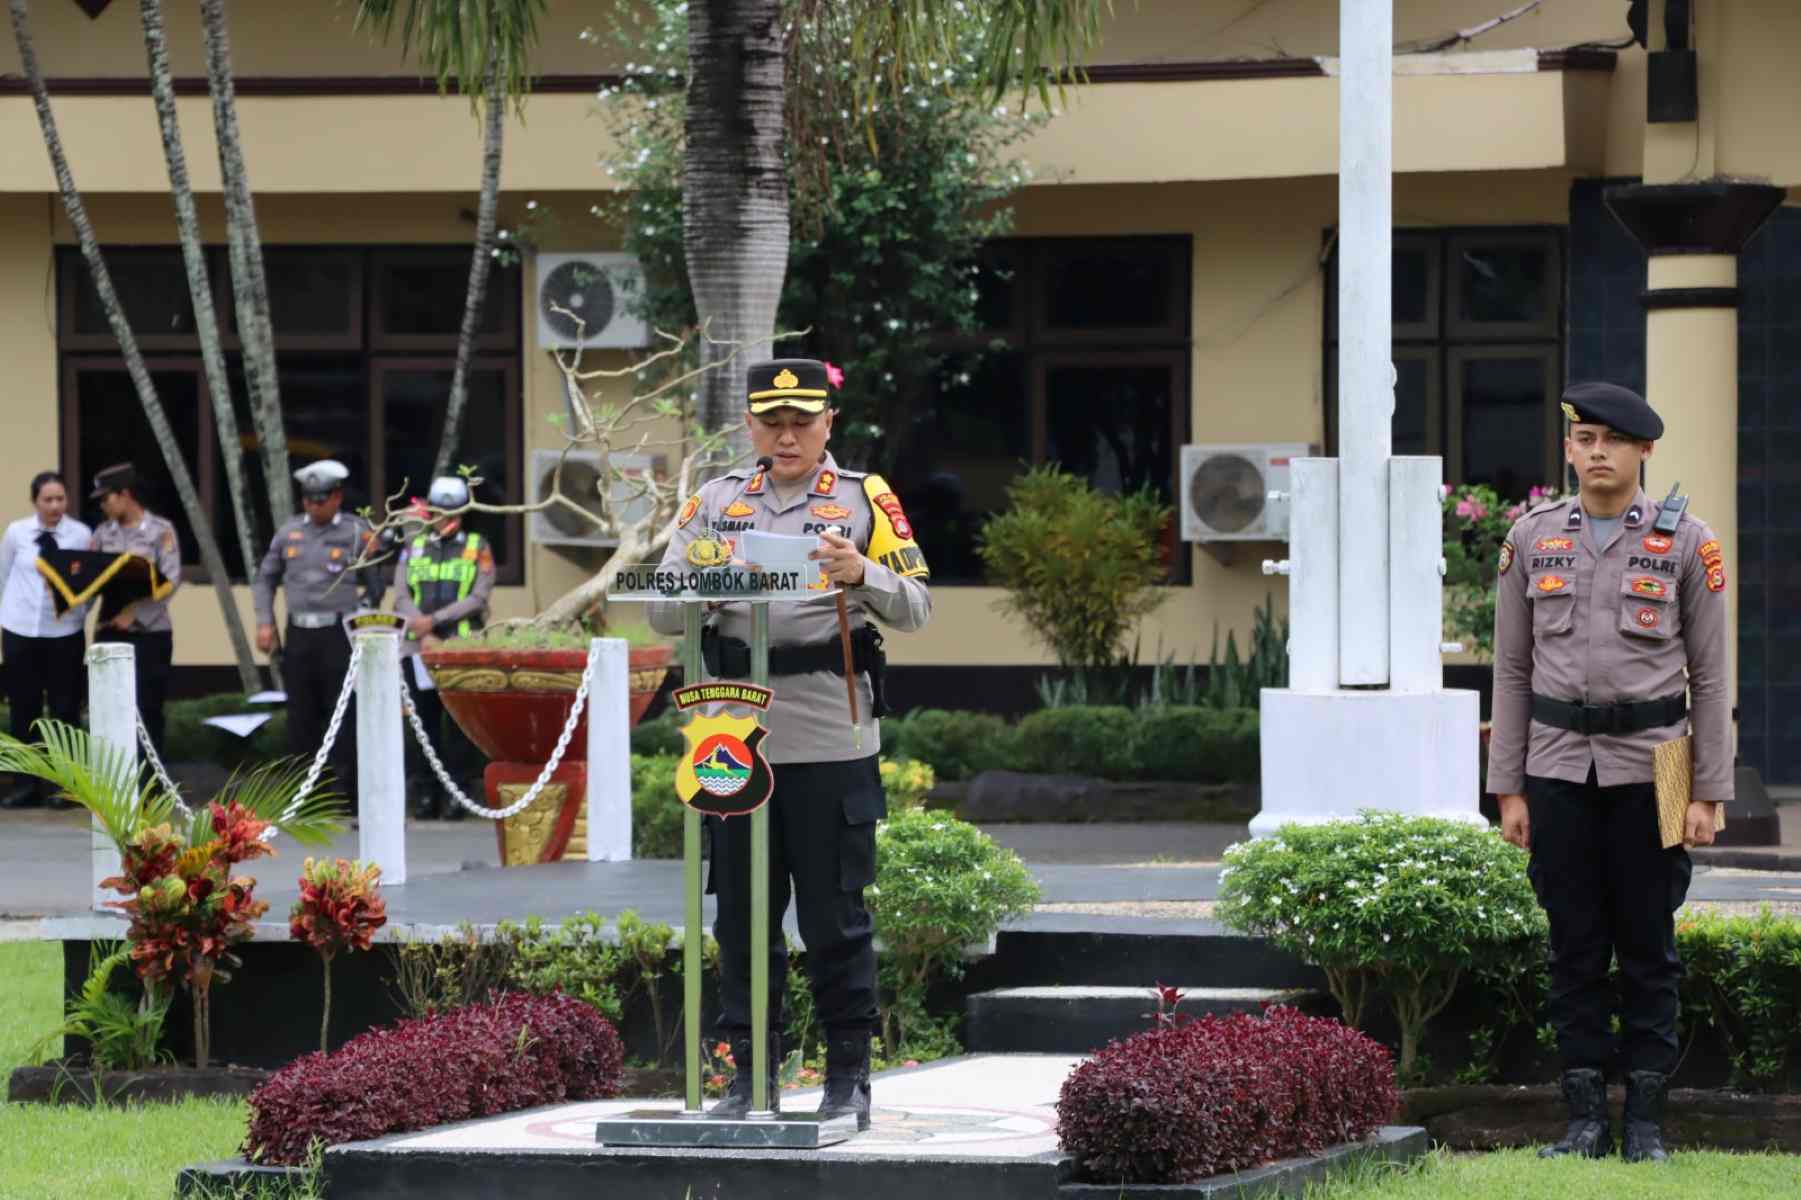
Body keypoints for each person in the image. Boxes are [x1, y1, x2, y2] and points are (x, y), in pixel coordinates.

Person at [648, 358, 932, 1129]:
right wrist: (706, 585)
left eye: (801, 422)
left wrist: (861, 572)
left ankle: (847, 1079)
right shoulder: (715, 502)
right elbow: (661, 611)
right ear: (749, 425)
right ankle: (751, 1077)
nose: (785, 436)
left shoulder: (864, 498)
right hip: (731, 740)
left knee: (834, 918)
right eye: (770, 422)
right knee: (741, 918)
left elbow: (916, 608)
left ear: (827, 423)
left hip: (828, 732)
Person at [1488, 381, 1730, 1164]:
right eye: (1584, 439)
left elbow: (1711, 676)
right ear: (1568, 449)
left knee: (1650, 945)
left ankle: (1647, 1126)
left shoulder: (1687, 542)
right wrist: (1507, 787)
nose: (1597, 452)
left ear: (1643, 451)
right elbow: (1510, 670)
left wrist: (1707, 791)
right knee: (1573, 946)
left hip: (1661, 763)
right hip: (1555, 763)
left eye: (1613, 441)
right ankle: (1585, 1122)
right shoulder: (1530, 539)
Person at [253, 460, 384, 806]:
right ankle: (305, 796)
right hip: (299, 633)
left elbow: (375, 584)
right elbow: (265, 579)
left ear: (337, 497)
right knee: (301, 715)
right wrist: (264, 622)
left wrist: (361, 620)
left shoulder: (356, 532)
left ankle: (345, 794)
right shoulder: (289, 532)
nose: (313, 506)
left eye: (320, 499)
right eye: (308, 500)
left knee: (341, 712)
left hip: (338, 633)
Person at [394, 476, 495, 820]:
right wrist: (421, 628)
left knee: (459, 726)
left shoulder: (477, 546)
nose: (446, 519)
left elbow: (478, 596)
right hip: (418, 649)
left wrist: (434, 621)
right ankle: (425, 793)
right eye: (439, 512)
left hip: (459, 648)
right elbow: (401, 594)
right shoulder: (414, 546)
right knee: (423, 723)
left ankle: (458, 794)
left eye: (452, 513)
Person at [0, 471, 92, 808]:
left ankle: (65, 786)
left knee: (64, 709)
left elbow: (89, 583)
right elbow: (3, 576)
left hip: (64, 632)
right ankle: (25, 786)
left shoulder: (81, 534)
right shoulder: (17, 532)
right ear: (35, 501)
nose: (55, 506)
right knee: (23, 708)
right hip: (20, 630)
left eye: (60, 499)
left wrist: (78, 614)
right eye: (47, 500)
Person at [87, 463, 182, 760]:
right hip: (110, 629)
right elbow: (90, 581)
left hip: (150, 633)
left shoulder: (160, 531)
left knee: (149, 708)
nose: (102, 505)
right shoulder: (102, 534)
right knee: (108, 708)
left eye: (106, 498)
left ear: (125, 494)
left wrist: (136, 614)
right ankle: (112, 777)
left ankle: (149, 779)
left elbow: (171, 581)